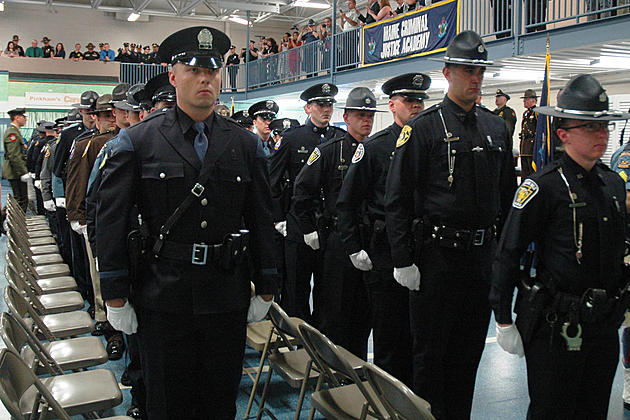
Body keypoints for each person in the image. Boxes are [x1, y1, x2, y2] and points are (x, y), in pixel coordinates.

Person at [97, 26, 278, 420]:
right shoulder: (138, 142)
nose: (205, 80)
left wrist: (266, 285)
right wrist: (114, 292)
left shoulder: (246, 144)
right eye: (194, 71)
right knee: (167, 401)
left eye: (213, 72)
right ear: (173, 74)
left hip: (225, 292)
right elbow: (111, 221)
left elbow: (264, 218)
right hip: (163, 295)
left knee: (219, 400)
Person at [384, 31, 517, 419]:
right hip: (436, 260)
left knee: (467, 355)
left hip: (479, 261)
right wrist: (403, 258)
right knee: (429, 358)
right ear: (447, 73)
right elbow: (397, 199)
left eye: (479, 70)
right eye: (466, 70)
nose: (474, 78)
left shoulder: (496, 129)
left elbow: (507, 200)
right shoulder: (423, 128)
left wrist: (501, 260)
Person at [491, 74, 629, 419]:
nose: (602, 136)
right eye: (591, 128)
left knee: (593, 409)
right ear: (564, 134)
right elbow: (509, 251)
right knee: (553, 410)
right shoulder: (543, 187)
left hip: (603, 324)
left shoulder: (613, 184)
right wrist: (503, 318)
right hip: (558, 326)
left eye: (605, 128)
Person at [337, 72, 430, 385]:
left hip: (425, 251)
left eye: (420, 100)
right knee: (390, 340)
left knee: (424, 340)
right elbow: (347, 202)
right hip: (386, 252)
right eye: (408, 100)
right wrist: (353, 247)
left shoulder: (432, 142)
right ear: (393, 105)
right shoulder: (375, 147)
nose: (416, 106)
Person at [293, 87, 378, 359]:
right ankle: (334, 370)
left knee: (364, 312)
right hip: (338, 240)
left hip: (369, 240)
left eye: (370, 115)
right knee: (336, 309)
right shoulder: (329, 150)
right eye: (360, 115)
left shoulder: (374, 150)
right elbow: (302, 190)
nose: (366, 120)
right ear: (347, 116)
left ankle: (358, 366)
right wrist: (308, 228)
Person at [269, 83, 345, 323]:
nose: (326, 109)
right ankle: (297, 340)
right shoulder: (292, 139)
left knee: (327, 285)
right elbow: (273, 181)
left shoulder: (339, 137)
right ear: (308, 107)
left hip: (328, 223)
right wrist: (279, 218)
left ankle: (322, 336)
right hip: (299, 221)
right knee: (297, 285)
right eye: (321, 105)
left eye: (330, 105)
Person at [3, 108, 30, 212]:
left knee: (20, 199)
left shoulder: (15, 131)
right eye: (24, 117)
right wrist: (22, 172)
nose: (25, 119)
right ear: (17, 117)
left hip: (16, 170)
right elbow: (14, 155)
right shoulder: (12, 133)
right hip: (15, 171)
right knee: (20, 200)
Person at [520, 88, 538, 178]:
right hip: (525, 147)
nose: (524, 101)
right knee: (525, 172)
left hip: (532, 147)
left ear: (533, 100)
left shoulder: (537, 112)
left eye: (526, 99)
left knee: (531, 172)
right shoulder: (526, 113)